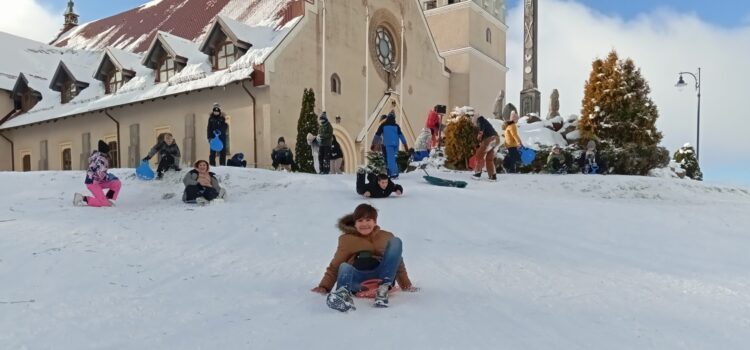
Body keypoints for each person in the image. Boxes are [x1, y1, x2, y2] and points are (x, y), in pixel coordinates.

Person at [311, 203, 416, 311]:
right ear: (355, 223)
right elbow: (335, 265)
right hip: (358, 280)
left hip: (381, 277)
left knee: (396, 242)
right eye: (360, 221)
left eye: (368, 220)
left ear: (375, 222)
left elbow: (396, 261)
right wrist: (324, 287)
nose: (364, 224)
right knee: (344, 266)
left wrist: (406, 285)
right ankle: (343, 294)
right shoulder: (347, 240)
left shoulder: (386, 236)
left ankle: (383, 289)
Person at [73, 140, 121, 207]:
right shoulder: (102, 160)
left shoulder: (98, 156)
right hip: (92, 183)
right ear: (106, 152)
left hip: (98, 181)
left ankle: (108, 200)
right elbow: (100, 174)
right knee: (103, 203)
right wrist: (109, 177)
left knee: (116, 183)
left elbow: (99, 173)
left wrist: (110, 177)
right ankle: (82, 199)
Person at [374, 111, 409, 179]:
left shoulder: (383, 125)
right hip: (396, 144)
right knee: (394, 158)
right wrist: (405, 145)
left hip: (388, 144)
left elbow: (377, 134)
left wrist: (374, 144)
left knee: (390, 159)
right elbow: (401, 136)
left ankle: (393, 174)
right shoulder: (396, 126)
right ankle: (393, 172)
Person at [471, 115, 500, 181]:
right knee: (489, 159)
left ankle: (477, 174)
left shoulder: (480, 119)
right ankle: (493, 176)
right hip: (496, 139)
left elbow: (482, 126)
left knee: (479, 155)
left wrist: (479, 134)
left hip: (490, 139)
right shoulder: (487, 124)